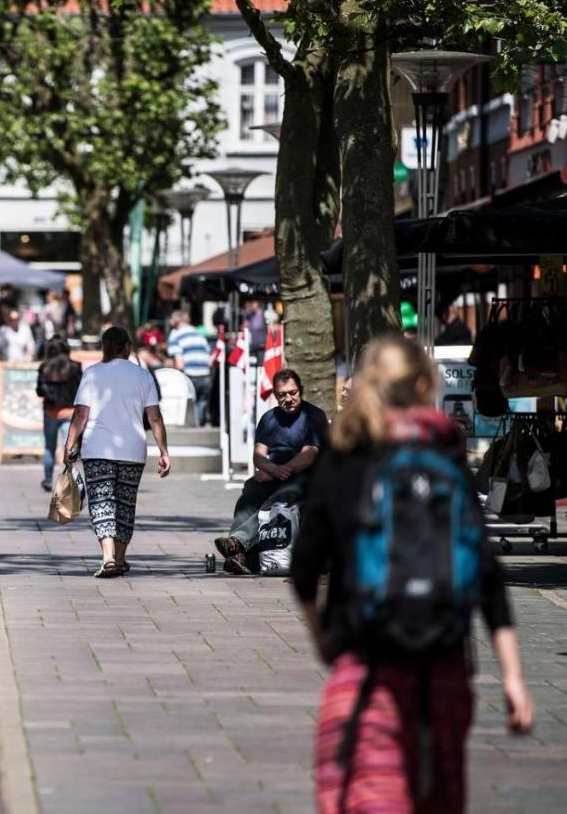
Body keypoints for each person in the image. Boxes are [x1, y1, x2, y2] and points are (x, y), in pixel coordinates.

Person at [292, 335, 532, 814]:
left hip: (366, 667)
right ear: (425, 384)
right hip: (444, 668)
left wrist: (323, 637)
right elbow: (486, 571)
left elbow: (303, 568)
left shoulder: (343, 457)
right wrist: (513, 677)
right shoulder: (445, 455)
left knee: (367, 795)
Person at [65, 326, 171, 578]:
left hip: (97, 449)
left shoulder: (92, 374)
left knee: (102, 502)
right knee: (125, 504)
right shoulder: (143, 377)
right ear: (127, 347)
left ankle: (109, 557)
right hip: (132, 450)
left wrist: (69, 443)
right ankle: (120, 559)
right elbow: (155, 418)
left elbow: (81, 414)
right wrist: (164, 451)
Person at [214, 369, 327, 575]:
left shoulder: (314, 416)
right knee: (250, 490)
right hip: (277, 473)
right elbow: (258, 455)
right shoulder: (268, 419)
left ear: (301, 390)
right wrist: (270, 469)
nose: (288, 399)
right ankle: (240, 557)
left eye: (292, 392)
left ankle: (238, 542)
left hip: (307, 475)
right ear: (275, 395)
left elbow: (310, 454)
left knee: (282, 495)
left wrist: (282, 470)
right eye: (282, 394)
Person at [36, 337, 81, 492]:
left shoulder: (44, 368)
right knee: (68, 448)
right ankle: (69, 477)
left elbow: (39, 391)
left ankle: (48, 479)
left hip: (50, 412)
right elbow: (80, 390)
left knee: (49, 447)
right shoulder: (75, 367)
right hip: (69, 412)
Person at [167, 310, 212, 425]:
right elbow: (209, 359)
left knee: (187, 408)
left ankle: (193, 432)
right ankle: (201, 429)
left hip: (190, 375)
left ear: (175, 321)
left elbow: (179, 363)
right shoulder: (199, 334)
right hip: (205, 375)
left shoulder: (175, 335)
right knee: (202, 404)